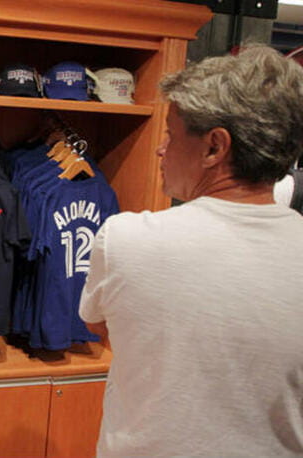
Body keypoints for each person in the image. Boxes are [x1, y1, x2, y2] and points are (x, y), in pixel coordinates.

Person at [78, 44, 303, 456]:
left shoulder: (127, 239)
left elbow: (103, 327)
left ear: (215, 147)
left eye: (171, 133)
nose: (161, 149)